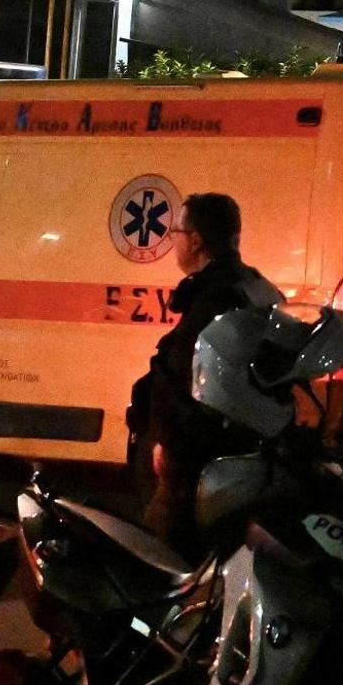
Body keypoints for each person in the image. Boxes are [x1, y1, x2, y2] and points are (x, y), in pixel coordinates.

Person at [132, 192, 284, 551]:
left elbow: (186, 380)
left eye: (178, 233)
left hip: (195, 460)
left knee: (166, 556)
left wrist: (168, 445)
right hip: (235, 452)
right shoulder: (254, 287)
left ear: (196, 240)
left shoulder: (213, 298)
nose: (174, 243)